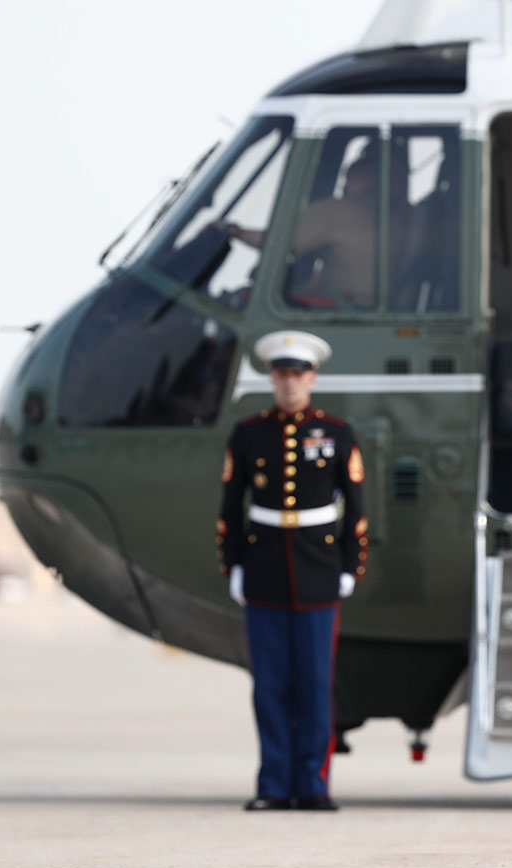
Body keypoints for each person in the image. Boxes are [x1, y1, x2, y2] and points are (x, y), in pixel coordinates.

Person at [217, 330, 369, 811]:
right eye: (281, 374)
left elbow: (357, 506)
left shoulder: (337, 432)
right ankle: (273, 785)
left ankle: (313, 784)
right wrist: (234, 565)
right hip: (263, 572)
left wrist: (350, 564)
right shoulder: (248, 434)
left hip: (318, 572)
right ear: (272, 378)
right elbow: (230, 507)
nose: (289, 383)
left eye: (297, 374)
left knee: (314, 685)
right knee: (270, 686)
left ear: (313, 378)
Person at [227, 158, 380, 309]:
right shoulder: (396, 214)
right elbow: (329, 277)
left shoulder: (340, 210)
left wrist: (234, 231)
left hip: (345, 311)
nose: (345, 186)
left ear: (364, 178)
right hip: (362, 307)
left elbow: (277, 243)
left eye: (348, 179)